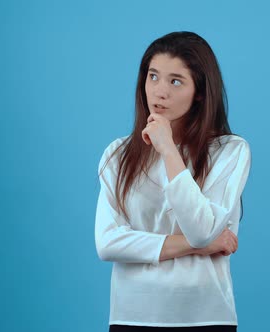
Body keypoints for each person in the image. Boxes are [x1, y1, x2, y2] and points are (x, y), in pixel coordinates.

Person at [95, 31, 251, 331]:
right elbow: (108, 243)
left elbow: (202, 231)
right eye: (153, 76)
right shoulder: (118, 153)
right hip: (131, 315)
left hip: (206, 317)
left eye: (175, 81)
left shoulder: (230, 151)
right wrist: (193, 247)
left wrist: (167, 148)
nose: (159, 91)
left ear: (200, 92)